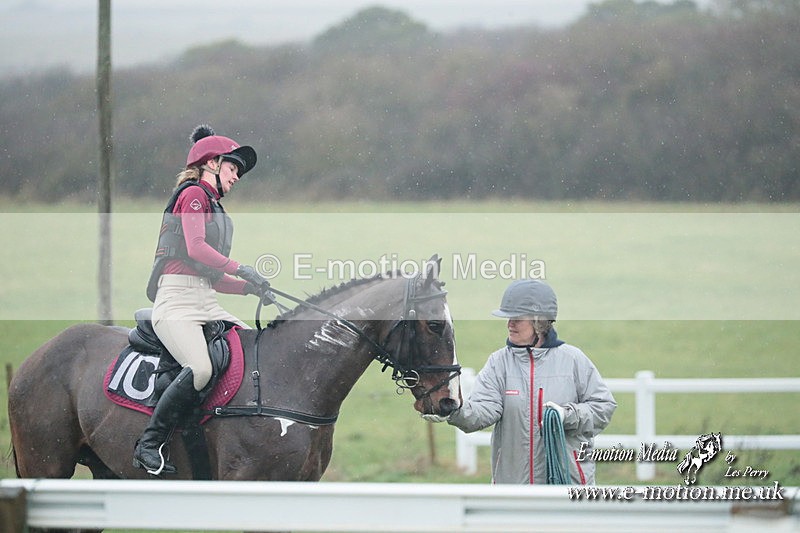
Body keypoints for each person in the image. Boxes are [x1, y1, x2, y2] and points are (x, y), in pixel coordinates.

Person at [133, 125, 271, 475]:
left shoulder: (215, 208)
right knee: (201, 369)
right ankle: (149, 443)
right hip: (176, 301)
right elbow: (195, 248)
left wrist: (249, 288)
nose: (236, 177)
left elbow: (213, 278)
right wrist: (242, 268)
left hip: (205, 301)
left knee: (253, 347)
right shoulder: (194, 194)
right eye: (232, 168)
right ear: (211, 163)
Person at [435, 279, 616, 484]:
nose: (509, 324)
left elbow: (603, 408)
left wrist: (566, 415)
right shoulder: (498, 363)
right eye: (508, 317)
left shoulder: (574, 359)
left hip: (567, 486)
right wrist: (454, 409)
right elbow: (484, 410)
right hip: (512, 489)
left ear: (540, 322)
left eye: (517, 318)